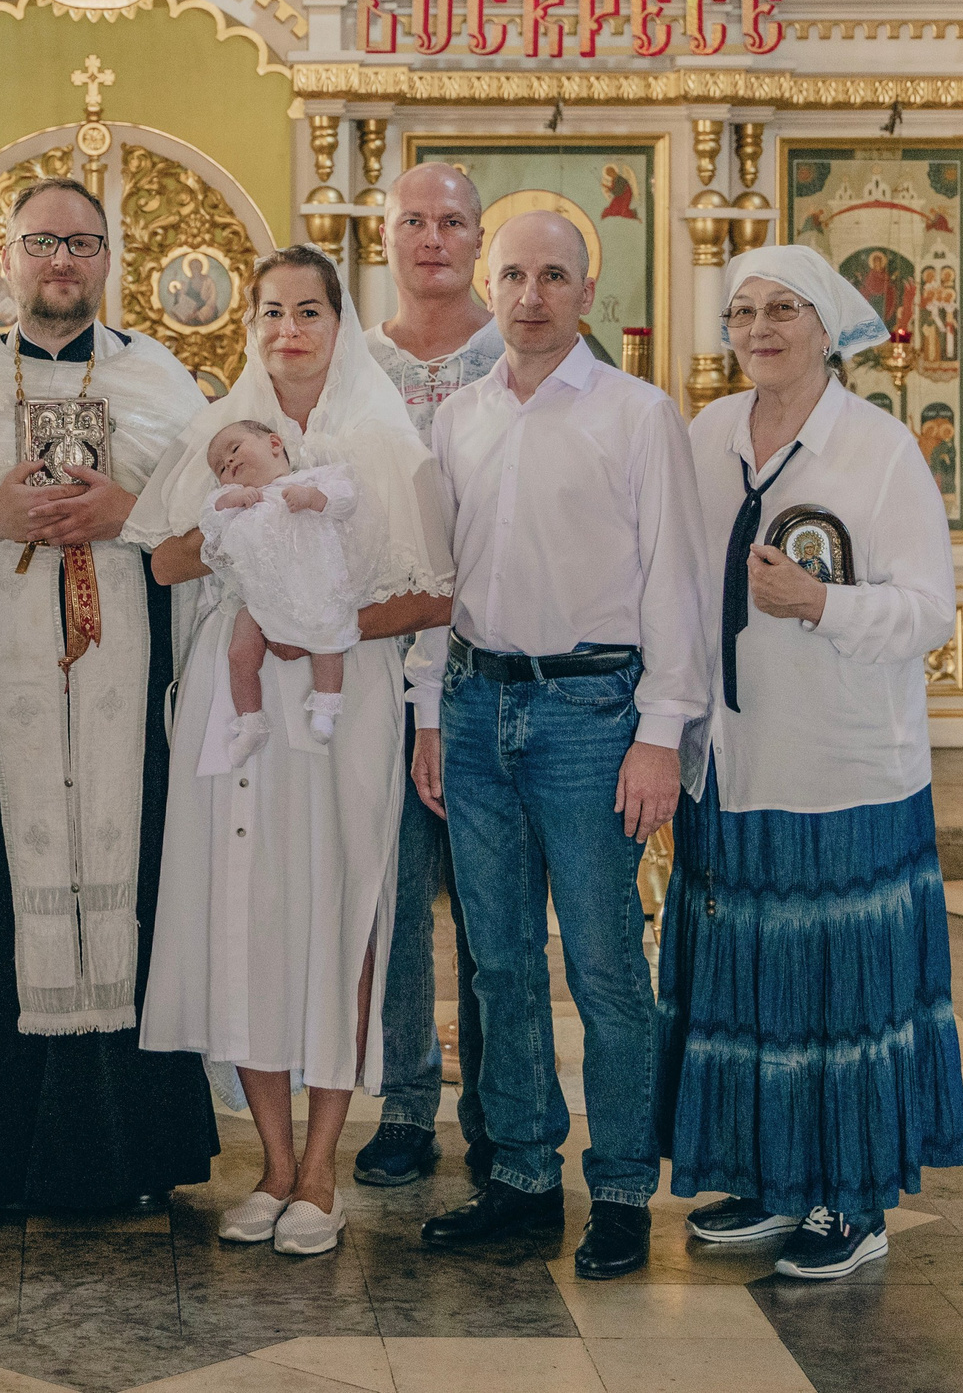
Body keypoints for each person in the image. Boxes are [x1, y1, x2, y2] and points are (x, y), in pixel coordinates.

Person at [0, 176, 220, 1218]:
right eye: (41, 243)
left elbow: (210, 534)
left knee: (135, 891)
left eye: (81, 243)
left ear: (108, 259)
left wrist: (129, 513)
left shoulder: (161, 385)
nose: (61, 260)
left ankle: (138, 1154)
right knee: (2, 904)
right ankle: (6, 1157)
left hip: (130, 705)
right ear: (5, 259)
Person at [129, 247, 450, 1258]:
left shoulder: (381, 442)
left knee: (337, 913)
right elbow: (162, 557)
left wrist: (323, 623)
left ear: (340, 324)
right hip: (238, 704)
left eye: (309, 310)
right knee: (247, 916)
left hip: (338, 698)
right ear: (251, 326)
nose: (288, 330)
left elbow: (435, 595)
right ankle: (270, 1164)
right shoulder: (220, 432)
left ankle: (321, 1169)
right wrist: (236, 524)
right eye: (271, 311)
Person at [411, 211, 711, 1281]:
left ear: (587, 294)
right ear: (488, 289)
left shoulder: (637, 415)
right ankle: (524, 1176)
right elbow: (437, 579)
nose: (530, 296)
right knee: (496, 963)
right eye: (513, 276)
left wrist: (661, 735)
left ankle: (621, 1187)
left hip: (591, 715)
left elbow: (674, 583)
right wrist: (429, 714)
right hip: (475, 709)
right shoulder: (460, 418)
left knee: (603, 965)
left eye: (552, 276)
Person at [660, 245, 963, 1279]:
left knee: (842, 996)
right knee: (751, 987)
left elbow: (929, 612)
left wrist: (820, 603)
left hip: (844, 772)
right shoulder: (705, 437)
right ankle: (771, 1177)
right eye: (742, 311)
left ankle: (852, 1198)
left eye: (782, 308)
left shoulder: (877, 450)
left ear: (827, 327)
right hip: (729, 762)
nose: (759, 328)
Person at [359, 163, 505, 1189]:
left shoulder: (521, 351)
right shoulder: (356, 365)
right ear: (387, 236)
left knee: (496, 902)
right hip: (377, 663)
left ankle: (501, 1105)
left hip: (496, 663)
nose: (432, 239)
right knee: (395, 898)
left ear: (478, 239)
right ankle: (406, 1102)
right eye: (412, 220)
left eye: (451, 222)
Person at [199, 419, 360, 756]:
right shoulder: (233, 501)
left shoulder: (310, 479)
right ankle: (251, 722)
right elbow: (210, 520)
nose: (229, 462)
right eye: (221, 468)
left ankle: (326, 706)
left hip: (313, 587)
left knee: (328, 640)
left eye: (234, 449)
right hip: (260, 598)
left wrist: (314, 498)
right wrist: (233, 498)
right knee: (239, 653)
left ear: (274, 444)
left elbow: (347, 499)